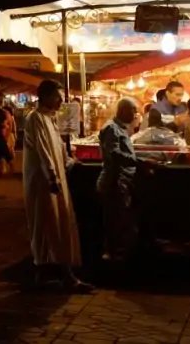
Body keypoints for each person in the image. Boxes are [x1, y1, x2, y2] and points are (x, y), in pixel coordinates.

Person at [23, 79, 91, 292]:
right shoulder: (35, 119)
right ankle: (61, 275)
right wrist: (52, 178)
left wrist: (71, 162)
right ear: (45, 96)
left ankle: (48, 275)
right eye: (57, 96)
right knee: (47, 224)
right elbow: (44, 152)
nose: (61, 100)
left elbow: (58, 151)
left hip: (55, 180)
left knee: (56, 224)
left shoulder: (50, 119)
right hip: (43, 182)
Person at [97, 98, 150, 262]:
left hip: (122, 182)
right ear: (123, 111)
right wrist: (140, 162)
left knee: (122, 222)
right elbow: (114, 155)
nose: (135, 114)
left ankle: (117, 257)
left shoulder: (120, 128)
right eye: (133, 110)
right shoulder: (111, 129)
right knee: (115, 224)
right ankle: (112, 262)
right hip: (114, 183)